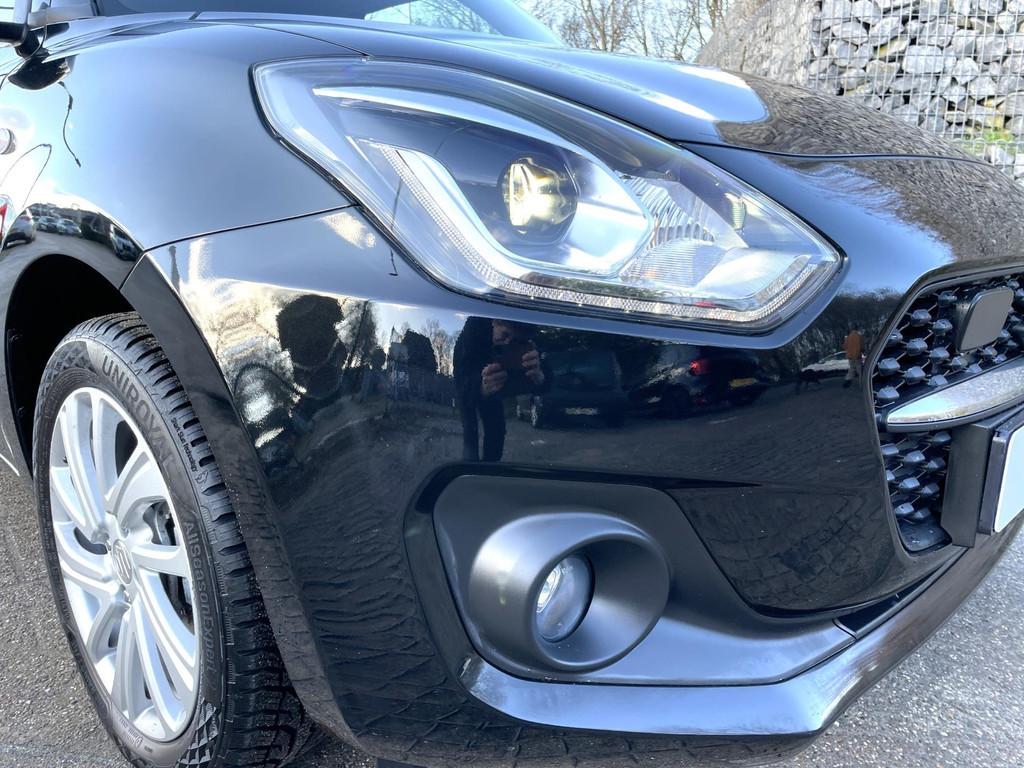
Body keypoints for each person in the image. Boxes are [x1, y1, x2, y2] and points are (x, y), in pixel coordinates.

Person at [453, 318, 545, 462]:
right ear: (495, 322)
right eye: (505, 335)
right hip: (474, 388)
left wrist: (539, 377)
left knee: (497, 430)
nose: (508, 343)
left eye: (517, 342)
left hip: (497, 391)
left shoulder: (528, 343)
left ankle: (491, 467)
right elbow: (460, 380)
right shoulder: (472, 333)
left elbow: (539, 380)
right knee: (470, 429)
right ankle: (469, 467)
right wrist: (480, 387)